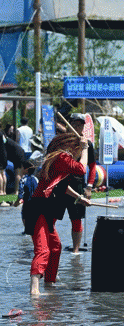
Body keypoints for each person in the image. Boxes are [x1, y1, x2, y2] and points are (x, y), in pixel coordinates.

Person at [26, 133, 93, 295]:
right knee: (43, 249)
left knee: (55, 247)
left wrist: (79, 198)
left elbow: (61, 186)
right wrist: (85, 148)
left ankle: (49, 282)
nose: (80, 154)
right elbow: (81, 169)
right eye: (79, 150)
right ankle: (34, 289)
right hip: (40, 208)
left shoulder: (59, 159)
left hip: (47, 209)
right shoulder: (62, 157)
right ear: (73, 147)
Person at [61, 114, 97, 254]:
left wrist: (89, 186)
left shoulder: (87, 144)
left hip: (77, 184)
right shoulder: (62, 142)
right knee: (51, 216)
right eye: (74, 124)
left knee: (76, 219)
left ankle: (75, 251)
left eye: (80, 125)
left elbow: (92, 166)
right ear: (68, 125)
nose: (77, 127)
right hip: (60, 183)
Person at [14, 160, 38, 234]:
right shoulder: (36, 179)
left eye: (22, 168)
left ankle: (27, 230)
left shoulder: (23, 180)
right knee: (34, 216)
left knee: (25, 216)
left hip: (27, 202)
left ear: (25, 169)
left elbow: (21, 192)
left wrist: (17, 202)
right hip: (36, 202)